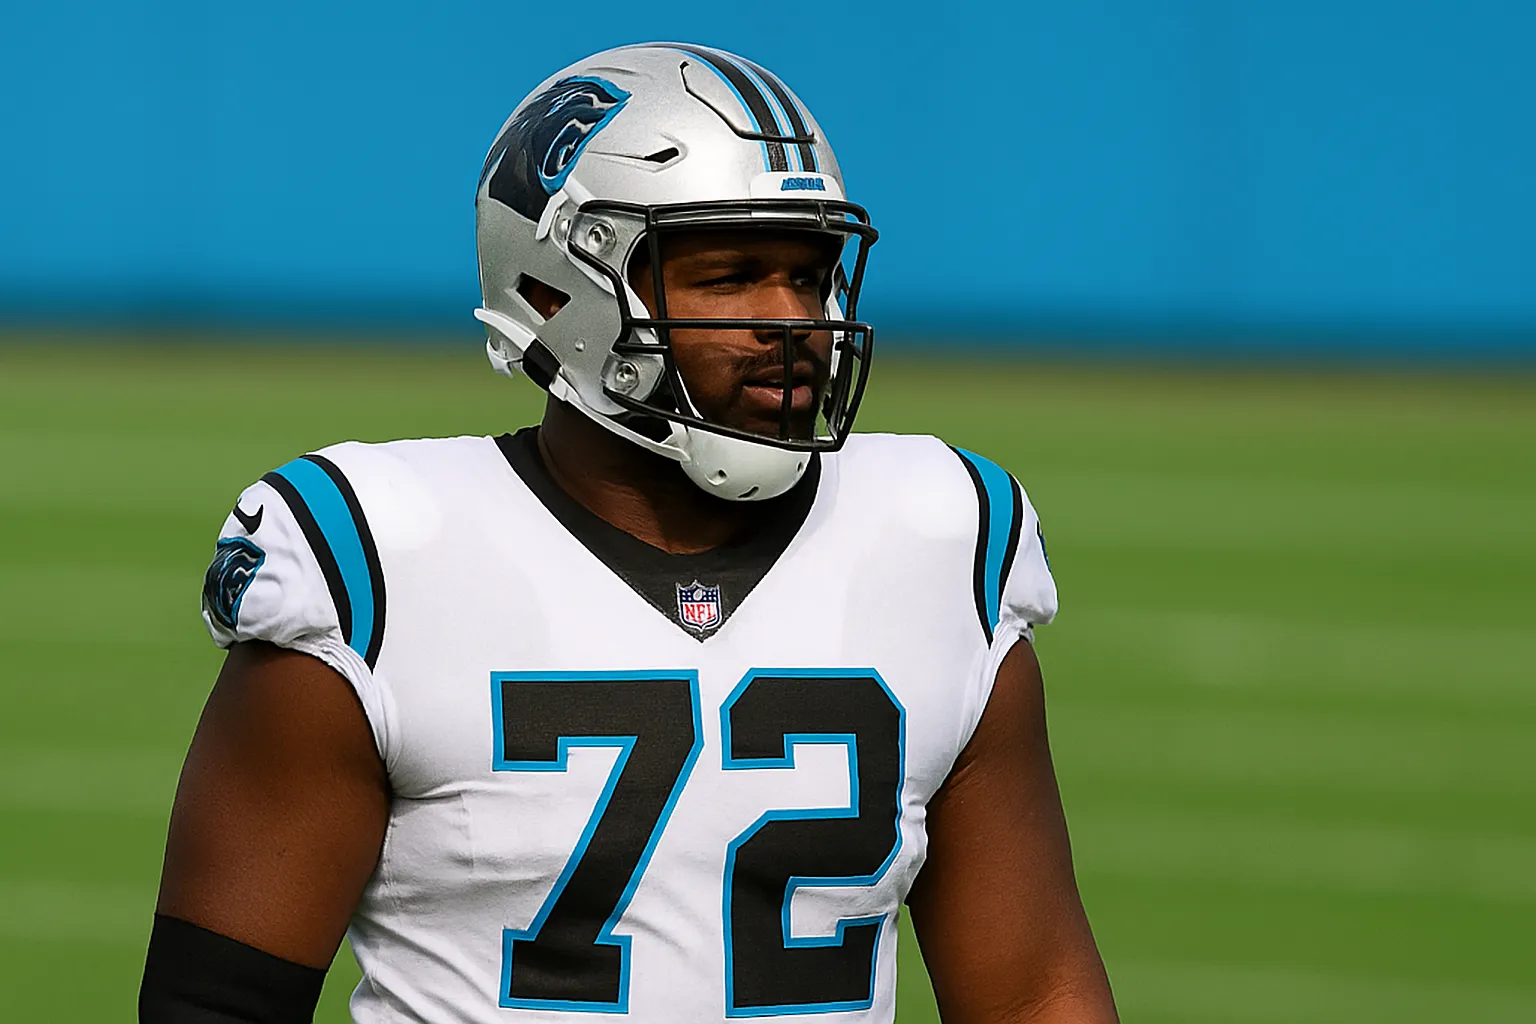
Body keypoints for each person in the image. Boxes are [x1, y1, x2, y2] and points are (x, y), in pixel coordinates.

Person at [140, 43, 1119, 1024]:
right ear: (558, 289)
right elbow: (217, 1002)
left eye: (809, 273)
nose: (795, 322)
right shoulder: (378, 559)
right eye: (732, 276)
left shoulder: (942, 536)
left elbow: (1033, 990)